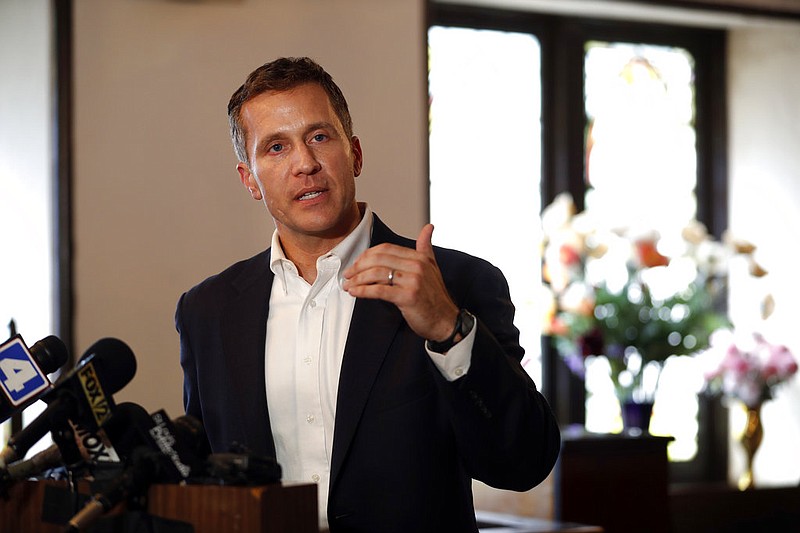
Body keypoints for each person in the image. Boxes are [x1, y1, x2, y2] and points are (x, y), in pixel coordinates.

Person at [176, 56, 560, 533]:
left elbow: (523, 462)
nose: (305, 164)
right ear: (249, 179)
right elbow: (198, 476)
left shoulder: (457, 281)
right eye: (276, 147)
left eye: (319, 136)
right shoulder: (207, 311)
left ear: (354, 153)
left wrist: (448, 328)